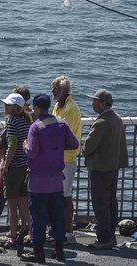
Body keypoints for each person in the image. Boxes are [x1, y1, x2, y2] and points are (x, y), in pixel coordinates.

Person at [23, 94, 79, 263]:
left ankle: (38, 252)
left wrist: (25, 145)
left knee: (38, 217)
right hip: (56, 180)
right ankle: (59, 251)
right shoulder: (62, 123)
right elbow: (74, 144)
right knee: (57, 215)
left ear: (37, 108)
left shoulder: (35, 127)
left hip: (38, 181)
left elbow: (32, 152)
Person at [82, 89, 128, 250]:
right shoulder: (117, 118)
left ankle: (103, 238)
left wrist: (83, 150)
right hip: (113, 167)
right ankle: (111, 236)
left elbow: (88, 147)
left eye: (95, 101)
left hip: (100, 168)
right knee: (111, 203)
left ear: (103, 103)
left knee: (100, 205)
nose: (92, 103)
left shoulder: (101, 122)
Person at [50, 76, 81, 242]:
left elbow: (61, 134)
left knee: (65, 196)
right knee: (57, 195)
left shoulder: (69, 109)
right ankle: (58, 228)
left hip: (66, 158)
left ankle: (69, 232)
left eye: (55, 89)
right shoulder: (58, 106)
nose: (52, 92)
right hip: (58, 157)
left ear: (64, 90)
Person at [2, 92, 31, 249]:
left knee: (12, 205)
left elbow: (12, 145)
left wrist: (6, 165)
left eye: (8, 104)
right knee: (25, 202)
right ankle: (31, 233)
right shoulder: (28, 121)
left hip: (14, 167)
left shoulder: (12, 123)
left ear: (16, 108)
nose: (5, 106)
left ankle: (13, 236)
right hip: (26, 166)